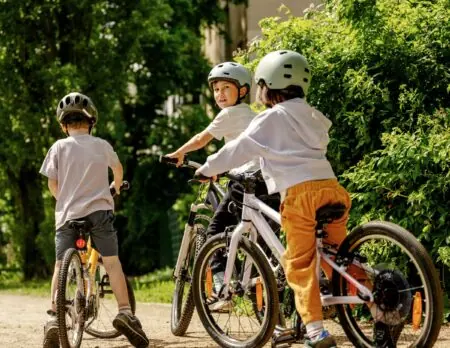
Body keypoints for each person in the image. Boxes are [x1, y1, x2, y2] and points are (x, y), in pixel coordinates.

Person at [195, 50, 351, 348]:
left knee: (299, 263)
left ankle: (316, 331)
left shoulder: (270, 118)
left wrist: (207, 169)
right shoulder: (312, 114)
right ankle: (376, 304)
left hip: (300, 194)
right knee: (337, 257)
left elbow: (237, 150)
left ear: (268, 85)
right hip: (331, 188)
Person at [165, 62, 280, 309]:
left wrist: (179, 153)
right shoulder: (253, 114)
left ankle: (221, 286)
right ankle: (270, 304)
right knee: (265, 246)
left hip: (245, 184)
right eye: (216, 89)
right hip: (269, 183)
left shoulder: (228, 114)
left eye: (226, 88)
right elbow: (239, 148)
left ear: (242, 91)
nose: (219, 94)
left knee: (213, 233)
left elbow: (202, 139)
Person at [40, 92, 149, 348]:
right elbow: (118, 169)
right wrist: (116, 187)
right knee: (112, 263)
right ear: (92, 122)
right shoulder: (102, 145)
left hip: (67, 215)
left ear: (63, 125)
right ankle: (125, 312)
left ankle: (55, 318)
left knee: (59, 266)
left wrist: (64, 198)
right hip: (100, 213)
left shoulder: (58, 147)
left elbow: (52, 183)